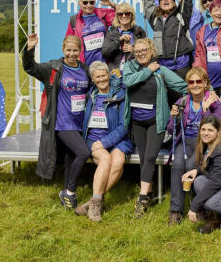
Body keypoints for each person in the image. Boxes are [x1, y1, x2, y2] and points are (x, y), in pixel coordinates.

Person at [22, 33, 91, 208]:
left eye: (75, 50)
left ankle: (66, 195)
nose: (72, 53)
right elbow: (30, 68)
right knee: (83, 153)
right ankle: (70, 192)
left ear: (80, 51)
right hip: (62, 122)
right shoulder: (54, 68)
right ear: (63, 50)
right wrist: (30, 48)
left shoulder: (84, 69)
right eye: (68, 50)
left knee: (71, 157)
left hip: (79, 121)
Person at [123, 38, 187, 218]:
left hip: (156, 121)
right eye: (137, 51)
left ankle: (142, 199)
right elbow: (128, 82)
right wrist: (146, 71)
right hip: (136, 121)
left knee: (150, 157)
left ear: (152, 51)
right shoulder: (129, 67)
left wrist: (201, 93)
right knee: (144, 158)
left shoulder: (161, 70)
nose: (141, 53)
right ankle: (150, 193)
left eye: (144, 50)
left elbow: (181, 86)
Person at [75, 61, 133, 221]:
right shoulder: (90, 95)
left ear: (109, 75)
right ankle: (96, 204)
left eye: (103, 75)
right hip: (93, 139)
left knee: (118, 162)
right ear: (93, 79)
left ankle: (93, 203)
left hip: (116, 138)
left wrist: (106, 142)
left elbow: (124, 126)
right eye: (97, 77)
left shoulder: (120, 95)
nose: (101, 79)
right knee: (106, 159)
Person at [166, 67, 221, 225]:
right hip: (185, 142)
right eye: (192, 82)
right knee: (177, 165)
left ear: (205, 83)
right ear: (188, 84)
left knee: (191, 165)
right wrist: (173, 117)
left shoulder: (214, 102)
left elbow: (214, 129)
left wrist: (205, 109)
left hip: (204, 143)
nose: (195, 84)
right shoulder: (182, 101)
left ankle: (197, 207)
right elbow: (171, 130)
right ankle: (176, 210)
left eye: (199, 81)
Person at [136, 0, 195, 80]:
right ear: (159, 3)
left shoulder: (181, 15)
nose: (166, 0)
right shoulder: (155, 18)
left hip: (181, 64)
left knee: (182, 95)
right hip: (162, 64)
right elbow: (148, 2)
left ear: (174, 3)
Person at [65, 0, 116, 66]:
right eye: (85, 3)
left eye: (91, 2)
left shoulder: (103, 14)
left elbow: (123, 16)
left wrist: (112, 5)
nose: (89, 5)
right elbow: (68, 44)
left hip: (105, 64)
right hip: (85, 65)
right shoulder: (74, 20)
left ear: (95, 2)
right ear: (79, 3)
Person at [102, 2, 146, 74]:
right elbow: (105, 53)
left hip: (134, 72)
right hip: (115, 73)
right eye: (120, 14)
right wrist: (119, 40)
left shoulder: (139, 32)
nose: (124, 16)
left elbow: (146, 53)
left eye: (127, 13)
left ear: (132, 16)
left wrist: (134, 50)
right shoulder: (111, 32)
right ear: (117, 17)